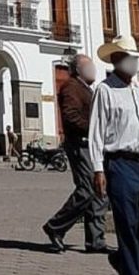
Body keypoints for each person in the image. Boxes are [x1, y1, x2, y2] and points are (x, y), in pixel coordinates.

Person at [89, 36, 139, 275]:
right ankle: (133, 270)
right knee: (127, 225)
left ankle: (123, 260)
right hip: (120, 164)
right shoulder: (105, 90)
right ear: (115, 59)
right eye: (127, 57)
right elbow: (96, 131)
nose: (133, 62)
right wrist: (98, 169)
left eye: (134, 57)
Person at [42, 53, 109, 253]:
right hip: (80, 145)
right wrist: (95, 127)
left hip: (92, 145)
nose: (93, 71)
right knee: (87, 189)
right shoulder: (71, 87)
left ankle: (96, 240)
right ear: (78, 70)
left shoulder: (87, 89)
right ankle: (55, 226)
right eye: (89, 67)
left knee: (99, 191)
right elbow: (71, 117)